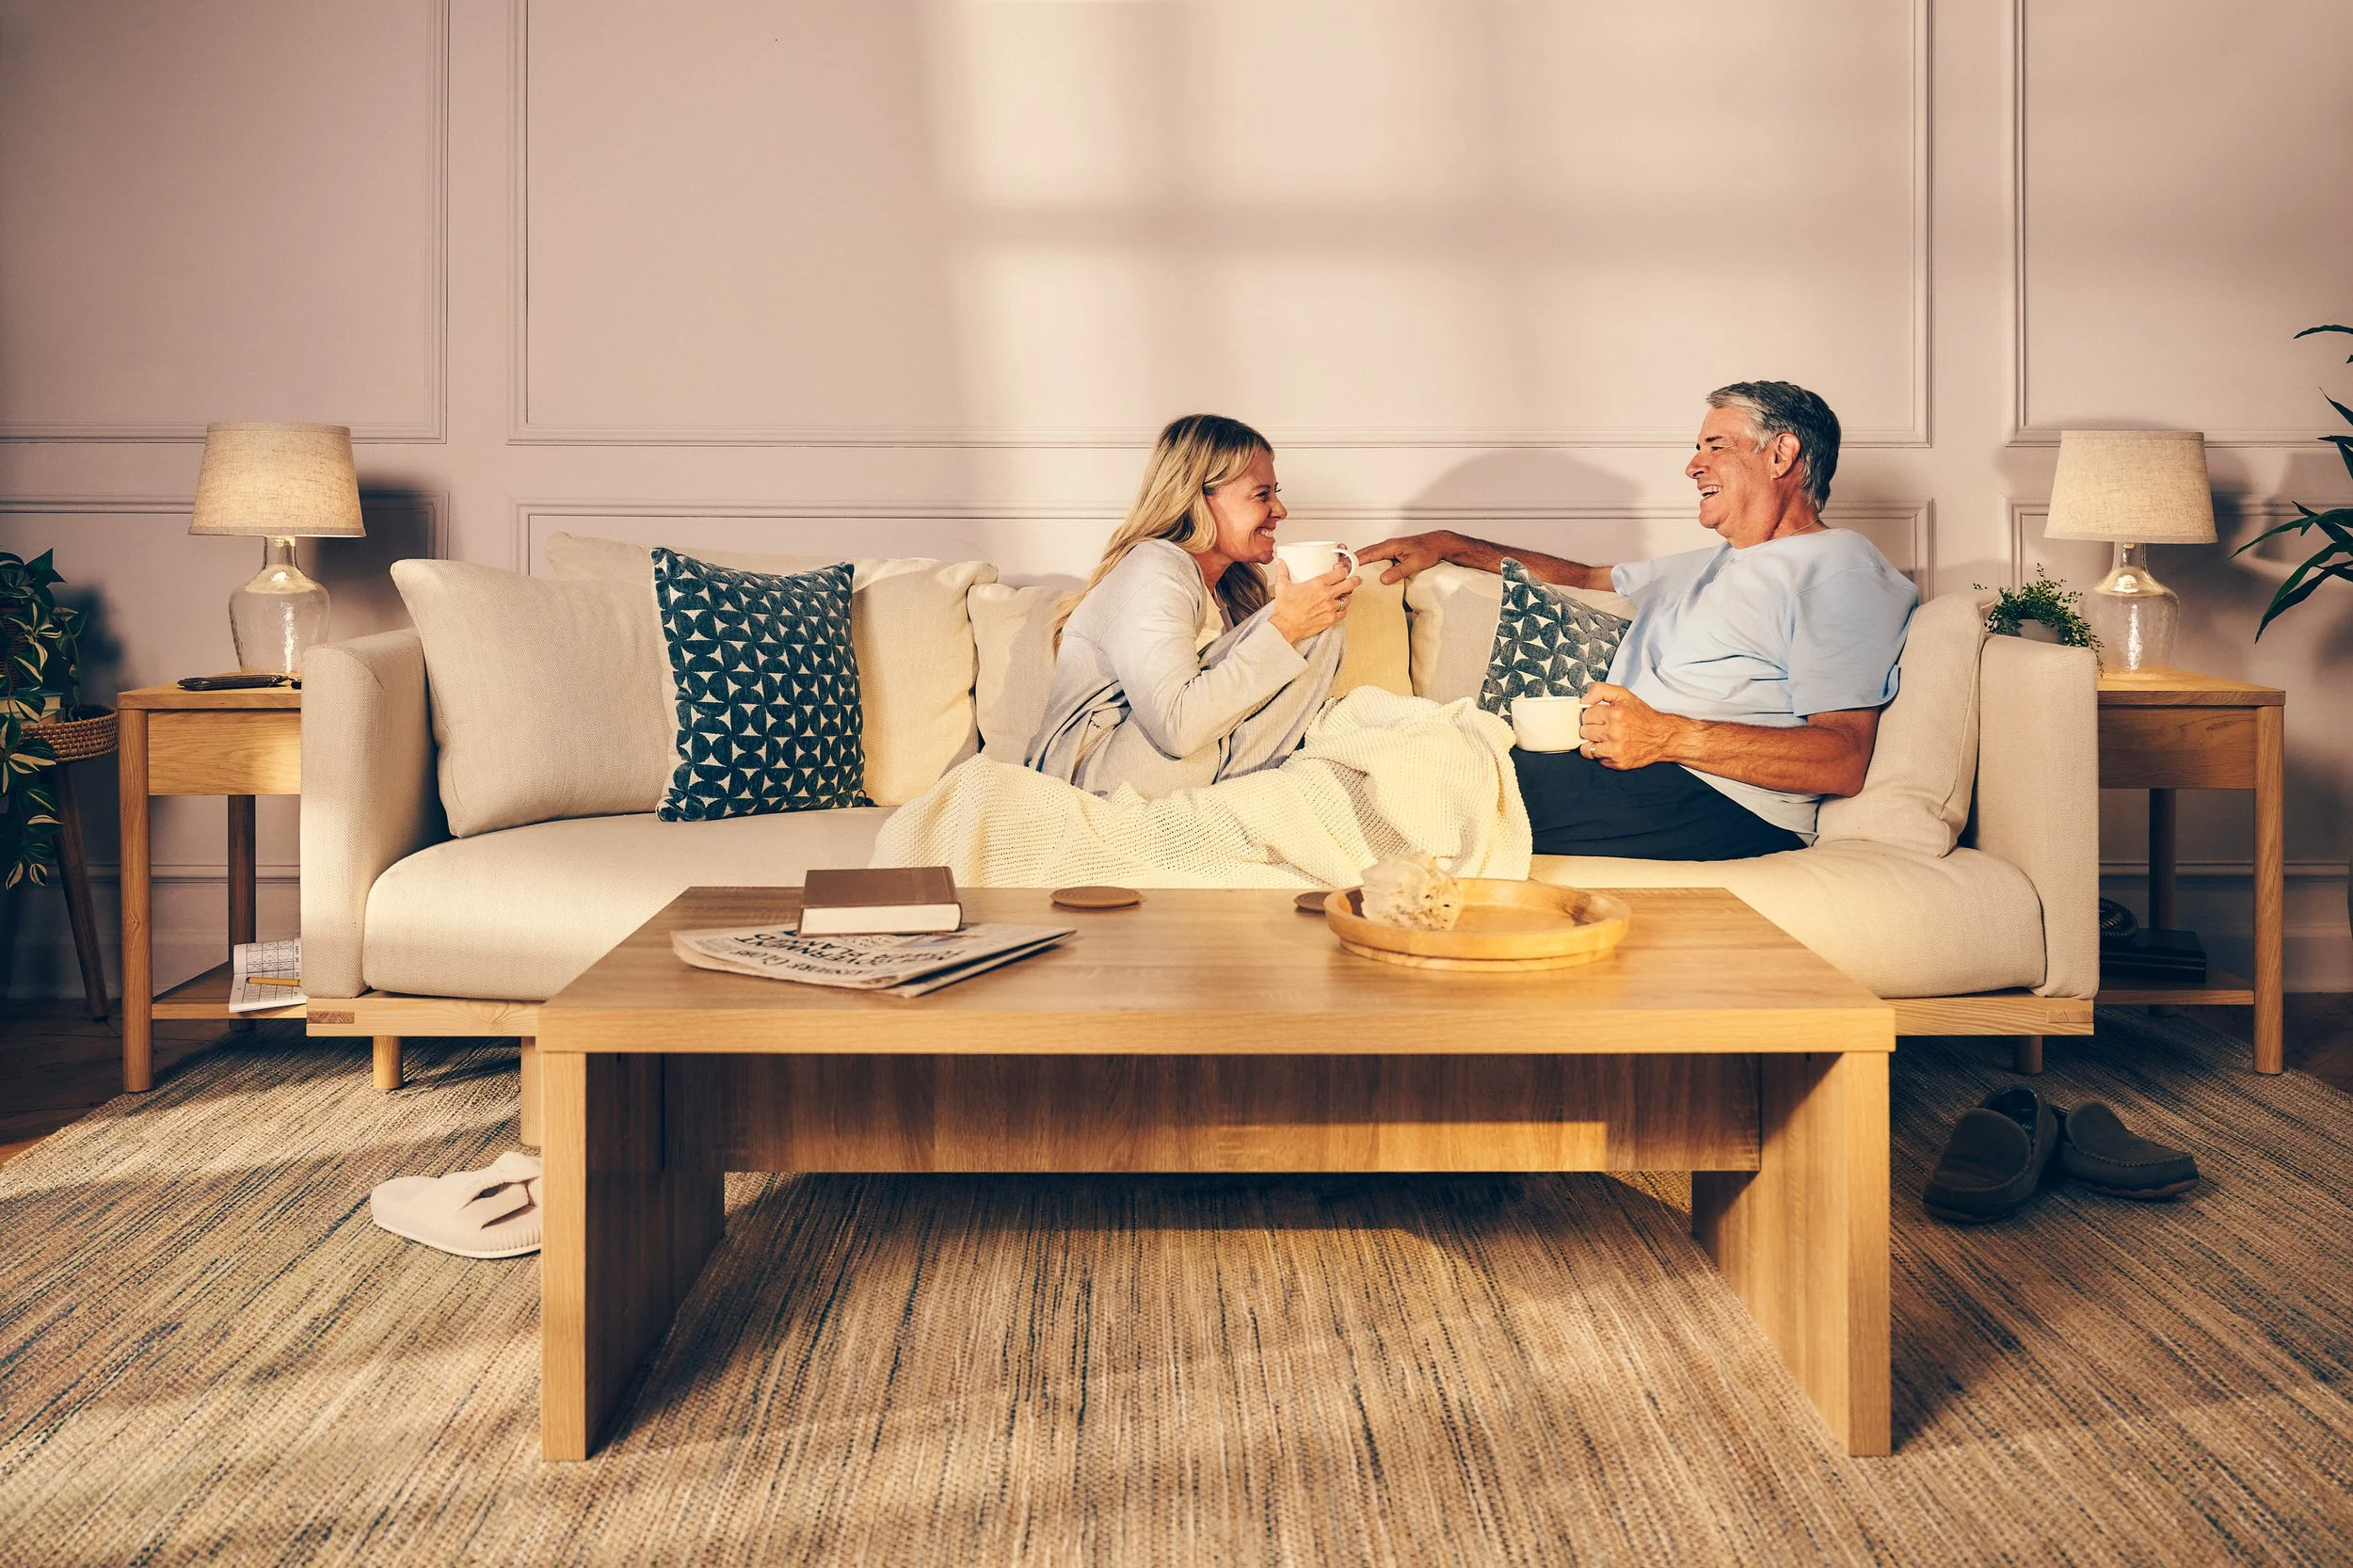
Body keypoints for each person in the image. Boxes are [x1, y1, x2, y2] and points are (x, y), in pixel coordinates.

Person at [1358, 380, 1917, 861]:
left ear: (1781, 455)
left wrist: (1669, 736)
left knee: (1417, 789)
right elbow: (1582, 578)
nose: (1692, 465)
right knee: (1384, 751)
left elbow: (1843, 758)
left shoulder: (1838, 567)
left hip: (1724, 801)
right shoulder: (1711, 563)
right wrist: (1449, 543)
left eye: (1715, 447)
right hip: (1627, 769)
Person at [1027, 413, 1358, 796]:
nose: (1280, 510)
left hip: (1164, 773)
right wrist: (1286, 627)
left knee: (1320, 617)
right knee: (1313, 625)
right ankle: (1247, 806)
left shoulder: (1230, 586)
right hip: (1092, 783)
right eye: (1261, 494)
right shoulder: (1154, 568)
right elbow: (1178, 728)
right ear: (1199, 498)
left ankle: (1246, 804)